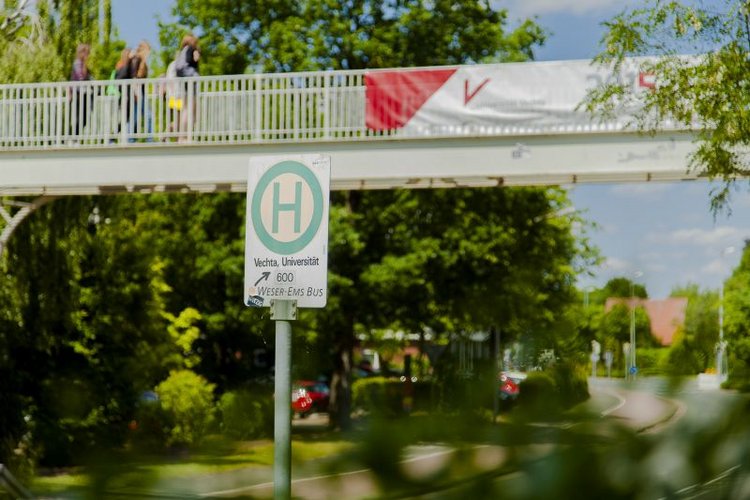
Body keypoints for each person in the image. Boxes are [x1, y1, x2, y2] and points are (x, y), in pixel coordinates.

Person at [174, 34, 200, 141]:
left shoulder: (182, 51)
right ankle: (187, 136)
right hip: (191, 81)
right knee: (190, 110)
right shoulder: (192, 49)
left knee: (184, 109)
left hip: (183, 83)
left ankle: (181, 136)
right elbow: (194, 61)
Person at [69, 43, 93, 139]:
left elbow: (90, 78)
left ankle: (75, 137)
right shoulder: (78, 63)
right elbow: (81, 77)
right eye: (87, 53)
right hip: (78, 94)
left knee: (85, 118)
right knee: (79, 117)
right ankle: (72, 137)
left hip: (84, 94)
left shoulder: (83, 64)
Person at [129, 41, 151, 137]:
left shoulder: (142, 62)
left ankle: (131, 138)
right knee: (146, 116)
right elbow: (134, 77)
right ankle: (149, 138)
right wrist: (135, 93)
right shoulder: (136, 59)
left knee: (136, 116)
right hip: (138, 92)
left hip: (141, 92)